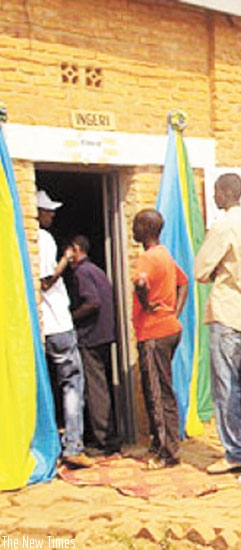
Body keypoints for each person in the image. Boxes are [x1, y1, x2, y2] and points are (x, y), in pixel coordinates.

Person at [195, 173, 241, 475]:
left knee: (226, 385)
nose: (213, 198)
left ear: (225, 193)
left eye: (215, 192)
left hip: (229, 312)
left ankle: (236, 451)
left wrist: (216, 272)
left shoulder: (224, 225)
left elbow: (201, 269)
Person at [37, 190, 93, 468]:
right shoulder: (43, 238)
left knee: (49, 384)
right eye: (47, 210)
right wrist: (64, 259)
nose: (52, 214)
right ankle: (73, 445)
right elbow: (46, 281)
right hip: (58, 323)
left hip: (45, 326)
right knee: (72, 384)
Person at [131, 209, 188, 469]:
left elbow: (141, 284)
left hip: (154, 332)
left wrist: (146, 304)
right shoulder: (164, 255)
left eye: (135, 225)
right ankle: (159, 441)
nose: (133, 229)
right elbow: (183, 282)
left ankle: (167, 452)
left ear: (145, 228)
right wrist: (174, 312)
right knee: (161, 388)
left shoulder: (146, 258)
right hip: (169, 329)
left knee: (157, 392)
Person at [67, 235, 121, 456]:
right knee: (101, 386)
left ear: (76, 249)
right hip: (104, 335)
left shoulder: (82, 272)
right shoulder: (97, 270)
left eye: (68, 251)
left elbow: (93, 302)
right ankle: (106, 435)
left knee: (95, 389)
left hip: (92, 336)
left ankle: (105, 441)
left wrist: (70, 317)